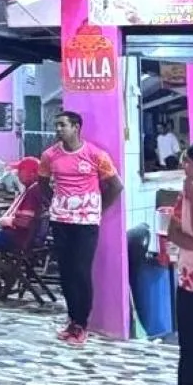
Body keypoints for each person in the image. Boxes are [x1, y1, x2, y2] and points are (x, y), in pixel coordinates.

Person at [39, 111, 123, 346]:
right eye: (56, 125)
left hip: (86, 223)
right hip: (61, 221)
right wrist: (54, 203)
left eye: (62, 125)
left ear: (76, 127)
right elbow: (42, 183)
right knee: (65, 273)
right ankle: (72, 320)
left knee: (80, 271)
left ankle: (81, 324)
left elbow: (116, 186)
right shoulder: (49, 155)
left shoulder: (95, 155)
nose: (58, 129)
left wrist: (96, 209)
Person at [152, 141, 193, 385]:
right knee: (190, 351)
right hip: (189, 282)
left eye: (187, 163)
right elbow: (173, 231)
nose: (183, 167)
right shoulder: (187, 194)